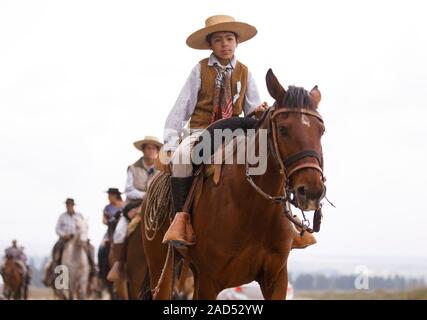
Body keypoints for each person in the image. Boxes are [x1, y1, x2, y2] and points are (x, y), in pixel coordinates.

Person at [162, 15, 316, 250]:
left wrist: (259, 110)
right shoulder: (200, 70)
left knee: (270, 156)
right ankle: (181, 220)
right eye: (219, 40)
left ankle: (287, 223)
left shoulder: (245, 72)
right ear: (211, 45)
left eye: (229, 39)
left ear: (237, 43)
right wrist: (171, 142)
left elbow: (252, 106)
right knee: (182, 158)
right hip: (201, 131)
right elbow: (181, 108)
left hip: (235, 133)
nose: (225, 44)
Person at [107, 136, 162, 282]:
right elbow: (129, 190)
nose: (151, 151)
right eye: (148, 148)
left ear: (157, 151)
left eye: (154, 148)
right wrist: (147, 195)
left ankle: (181, 267)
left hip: (155, 206)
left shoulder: (162, 168)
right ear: (143, 150)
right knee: (119, 232)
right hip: (133, 206)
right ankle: (119, 265)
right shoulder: (133, 168)